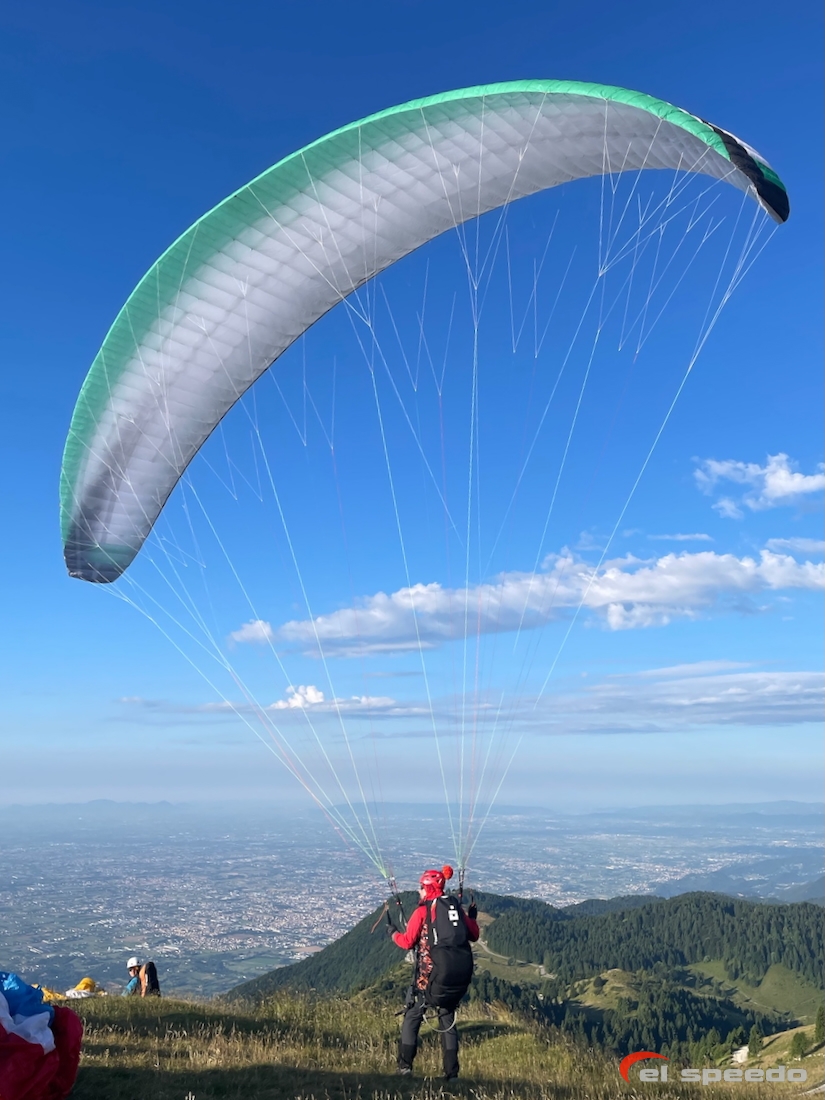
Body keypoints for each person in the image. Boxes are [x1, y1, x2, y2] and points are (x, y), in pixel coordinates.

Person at [388, 865, 479, 1080]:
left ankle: (405, 1068)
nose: (419, 890)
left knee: (413, 1016)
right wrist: (471, 917)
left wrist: (392, 933)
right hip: (456, 976)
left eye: (421, 887)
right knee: (447, 1021)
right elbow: (473, 934)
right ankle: (452, 1075)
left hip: (428, 979)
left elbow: (407, 941)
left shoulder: (422, 911)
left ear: (428, 888)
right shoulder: (455, 908)